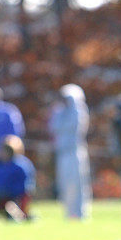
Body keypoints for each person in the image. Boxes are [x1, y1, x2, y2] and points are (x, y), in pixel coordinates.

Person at [48, 84, 91, 220]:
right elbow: (53, 127)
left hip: (75, 152)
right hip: (62, 153)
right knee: (64, 184)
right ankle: (69, 213)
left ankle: (81, 213)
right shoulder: (59, 111)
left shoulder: (79, 111)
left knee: (78, 184)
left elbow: (73, 126)